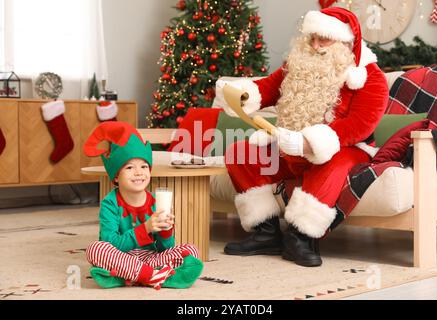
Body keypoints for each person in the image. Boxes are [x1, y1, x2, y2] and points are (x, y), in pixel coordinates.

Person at [215, 7, 389, 267]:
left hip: (345, 147)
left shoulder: (370, 77)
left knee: (333, 160)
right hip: (289, 146)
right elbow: (268, 88)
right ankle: (266, 233)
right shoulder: (297, 64)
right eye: (312, 38)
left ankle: (301, 238)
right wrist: (241, 94)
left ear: (345, 42)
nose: (316, 45)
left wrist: (310, 142)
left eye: (324, 39)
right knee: (242, 153)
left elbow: (360, 125)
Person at [83, 121, 203, 289]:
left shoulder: (155, 201)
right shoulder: (110, 203)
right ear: (116, 176)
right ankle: (156, 277)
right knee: (96, 249)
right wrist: (145, 228)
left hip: (151, 259)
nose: (139, 172)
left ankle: (129, 277)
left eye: (144, 166)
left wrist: (166, 231)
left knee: (191, 250)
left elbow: (164, 249)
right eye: (130, 167)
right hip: (121, 257)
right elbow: (111, 244)